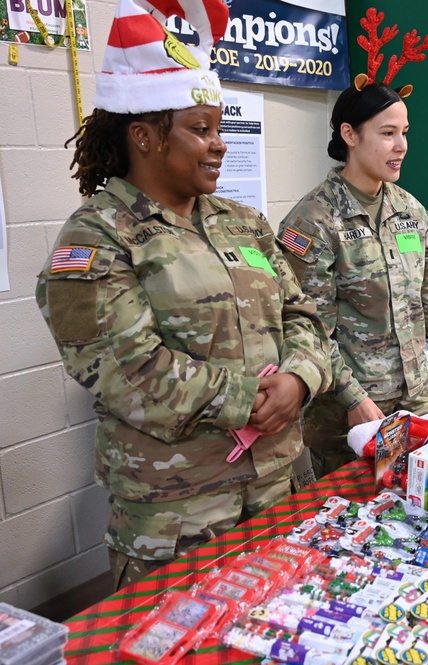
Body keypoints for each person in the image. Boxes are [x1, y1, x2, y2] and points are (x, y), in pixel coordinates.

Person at [35, 0, 331, 589]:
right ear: (143, 136)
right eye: (201, 130)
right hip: (181, 517)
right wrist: (250, 398)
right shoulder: (97, 237)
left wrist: (301, 379)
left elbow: (304, 315)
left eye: (219, 128)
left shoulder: (243, 222)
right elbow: (129, 370)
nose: (219, 144)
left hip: (279, 488)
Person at [277, 9, 428, 479]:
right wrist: (353, 398)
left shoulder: (409, 210)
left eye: (404, 133)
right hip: (350, 417)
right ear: (350, 135)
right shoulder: (313, 220)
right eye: (387, 133)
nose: (401, 146)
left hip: (415, 401)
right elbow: (309, 328)